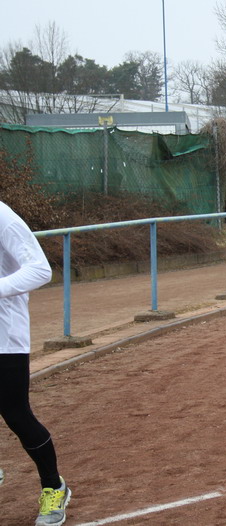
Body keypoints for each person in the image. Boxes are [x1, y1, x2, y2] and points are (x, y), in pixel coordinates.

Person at [1, 200, 71, 526]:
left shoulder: (2, 216)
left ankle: (54, 487)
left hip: (5, 338)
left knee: (16, 414)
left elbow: (40, 269)